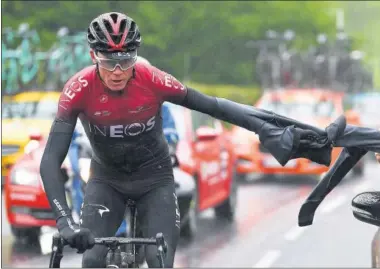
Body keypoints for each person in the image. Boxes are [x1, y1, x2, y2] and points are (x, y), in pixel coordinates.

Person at [40, 12, 332, 268]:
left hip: (155, 180)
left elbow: (214, 106)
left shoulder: (151, 79)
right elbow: (51, 160)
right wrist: (65, 223)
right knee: (91, 260)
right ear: (93, 56)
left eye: (126, 60)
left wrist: (272, 127)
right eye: (108, 62)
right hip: (106, 181)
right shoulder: (77, 90)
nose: (118, 71)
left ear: (136, 55)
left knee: (160, 261)